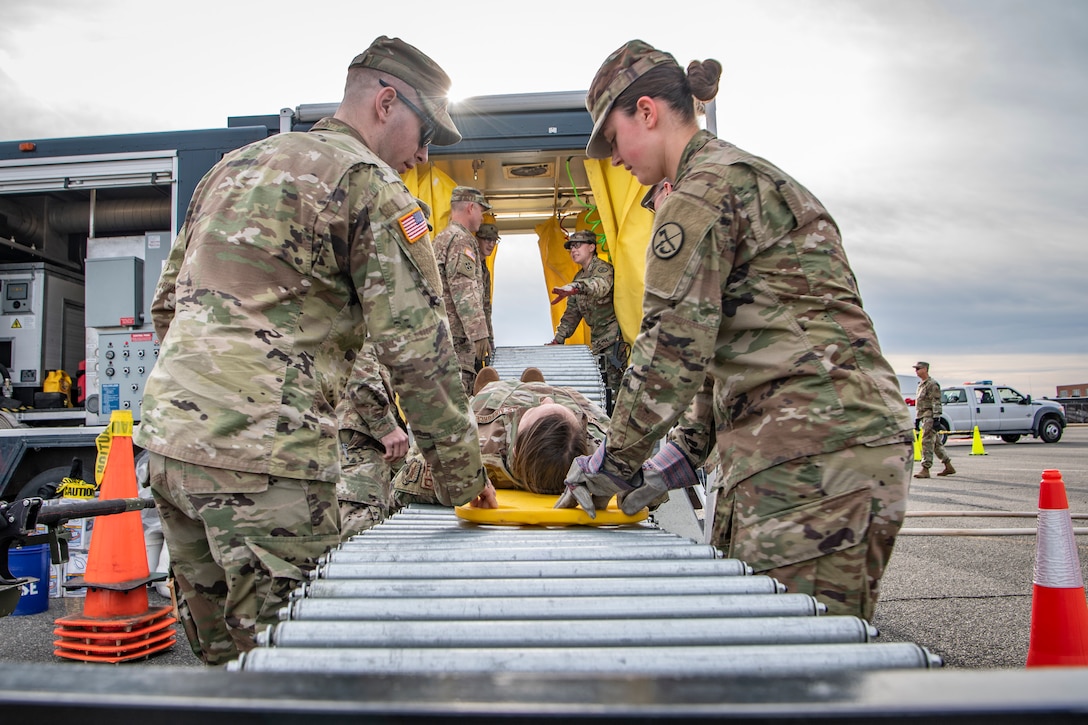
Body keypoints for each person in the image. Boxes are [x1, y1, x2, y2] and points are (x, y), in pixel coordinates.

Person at [135, 36, 495, 666]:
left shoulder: (232, 168)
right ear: (386, 103)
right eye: (425, 133)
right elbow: (418, 350)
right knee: (294, 664)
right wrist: (464, 477)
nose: (424, 154)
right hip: (267, 463)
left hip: (170, 448)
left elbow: (168, 307)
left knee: (225, 667)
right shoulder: (370, 186)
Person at [557, 40, 913, 621]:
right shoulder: (747, 177)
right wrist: (677, 456)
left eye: (613, 140)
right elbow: (725, 347)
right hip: (817, 445)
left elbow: (670, 347)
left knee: (789, 667)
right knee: (764, 644)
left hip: (810, 460)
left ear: (646, 111)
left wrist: (613, 462)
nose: (613, 160)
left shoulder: (700, 191)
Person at [394, 367, 609, 505]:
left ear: (514, 448)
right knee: (563, 401)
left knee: (463, 413)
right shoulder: (597, 441)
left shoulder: (484, 447)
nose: (545, 400)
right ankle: (539, 386)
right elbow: (634, 453)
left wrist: (466, 482)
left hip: (498, 401)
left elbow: (407, 477)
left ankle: (484, 389)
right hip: (567, 397)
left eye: (532, 411)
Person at [547, 229, 628, 414]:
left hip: (613, 341)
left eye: (578, 245)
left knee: (615, 395)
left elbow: (600, 287)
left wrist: (575, 288)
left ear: (591, 247)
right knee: (603, 394)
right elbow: (572, 314)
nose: (573, 250)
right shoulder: (578, 277)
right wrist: (558, 339)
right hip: (598, 343)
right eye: (571, 247)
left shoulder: (602, 269)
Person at [335, 344, 409, 539]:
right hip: (360, 431)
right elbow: (358, 363)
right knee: (360, 518)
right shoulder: (365, 323)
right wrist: (385, 426)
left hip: (367, 431)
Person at [434, 186, 493, 397]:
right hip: (456, 340)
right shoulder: (461, 239)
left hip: (442, 336)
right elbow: (463, 289)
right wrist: (479, 334)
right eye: (481, 211)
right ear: (470, 207)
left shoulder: (443, 237)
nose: (482, 218)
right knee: (460, 400)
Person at [913, 361, 954, 478]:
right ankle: (948, 465)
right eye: (915, 369)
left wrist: (936, 418)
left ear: (925, 369)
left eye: (918, 368)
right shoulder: (921, 384)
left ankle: (925, 468)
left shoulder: (932, 384)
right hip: (923, 416)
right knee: (936, 443)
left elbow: (936, 402)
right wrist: (917, 419)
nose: (916, 371)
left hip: (930, 416)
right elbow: (920, 403)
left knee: (926, 442)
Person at [475, 222, 500, 354]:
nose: (491, 244)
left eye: (494, 240)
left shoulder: (485, 270)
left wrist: (490, 339)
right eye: (487, 239)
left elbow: (486, 307)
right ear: (477, 239)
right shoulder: (471, 264)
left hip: (480, 336)